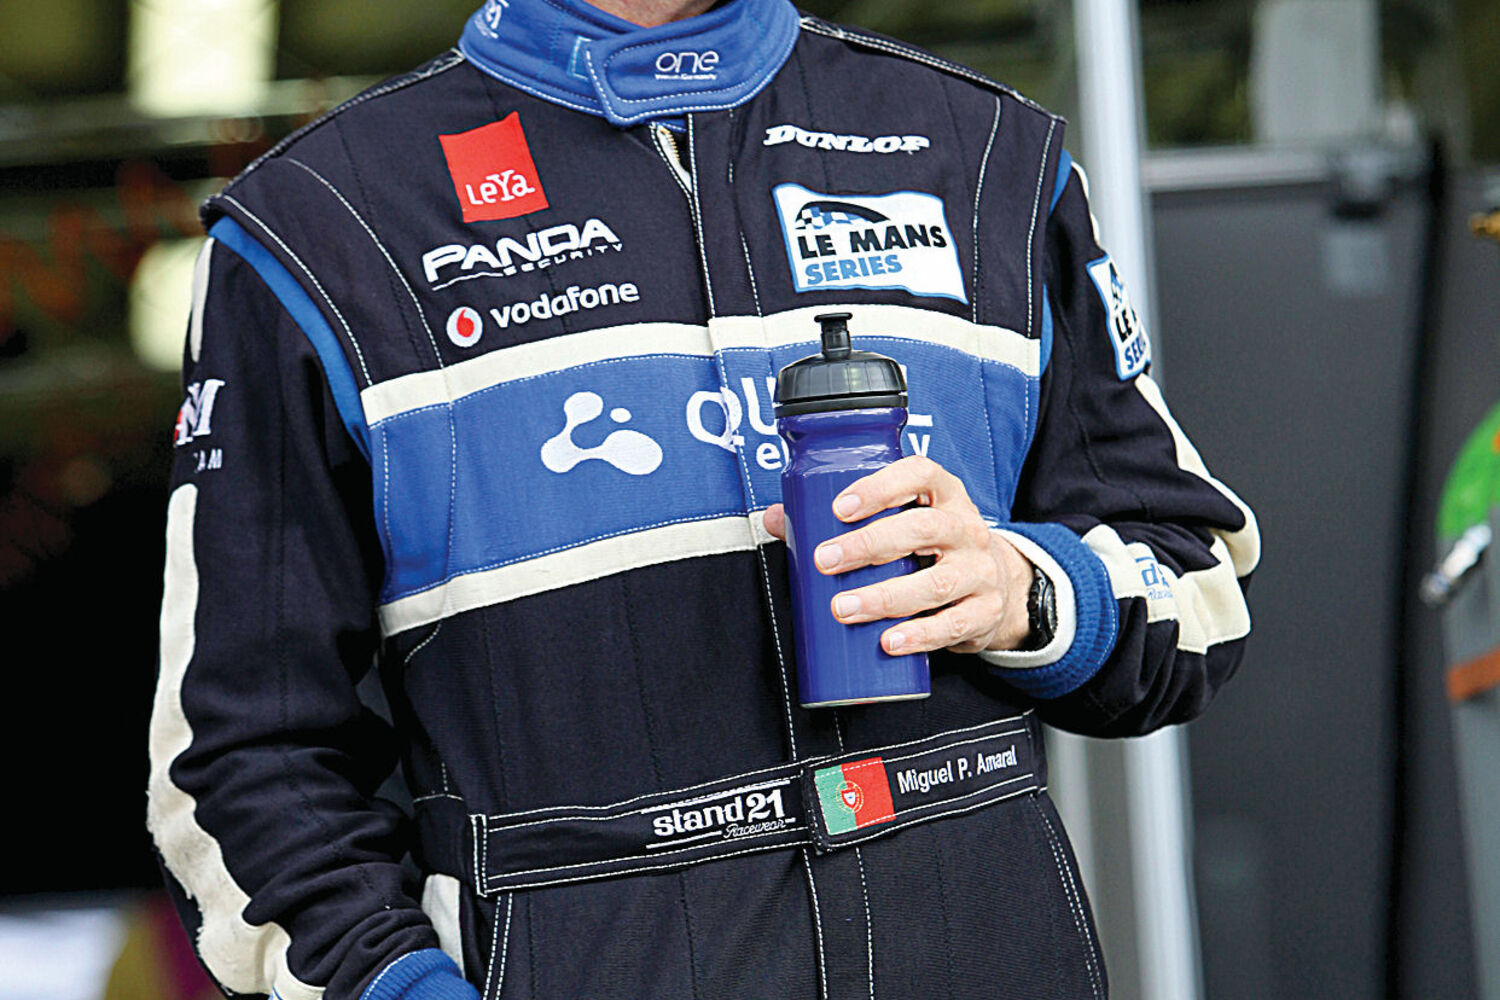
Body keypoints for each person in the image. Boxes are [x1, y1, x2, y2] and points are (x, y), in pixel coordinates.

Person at [147, 0, 1259, 998]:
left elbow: (1196, 579)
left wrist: (1025, 589)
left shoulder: (985, 157)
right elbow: (238, 756)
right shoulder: (318, 227)